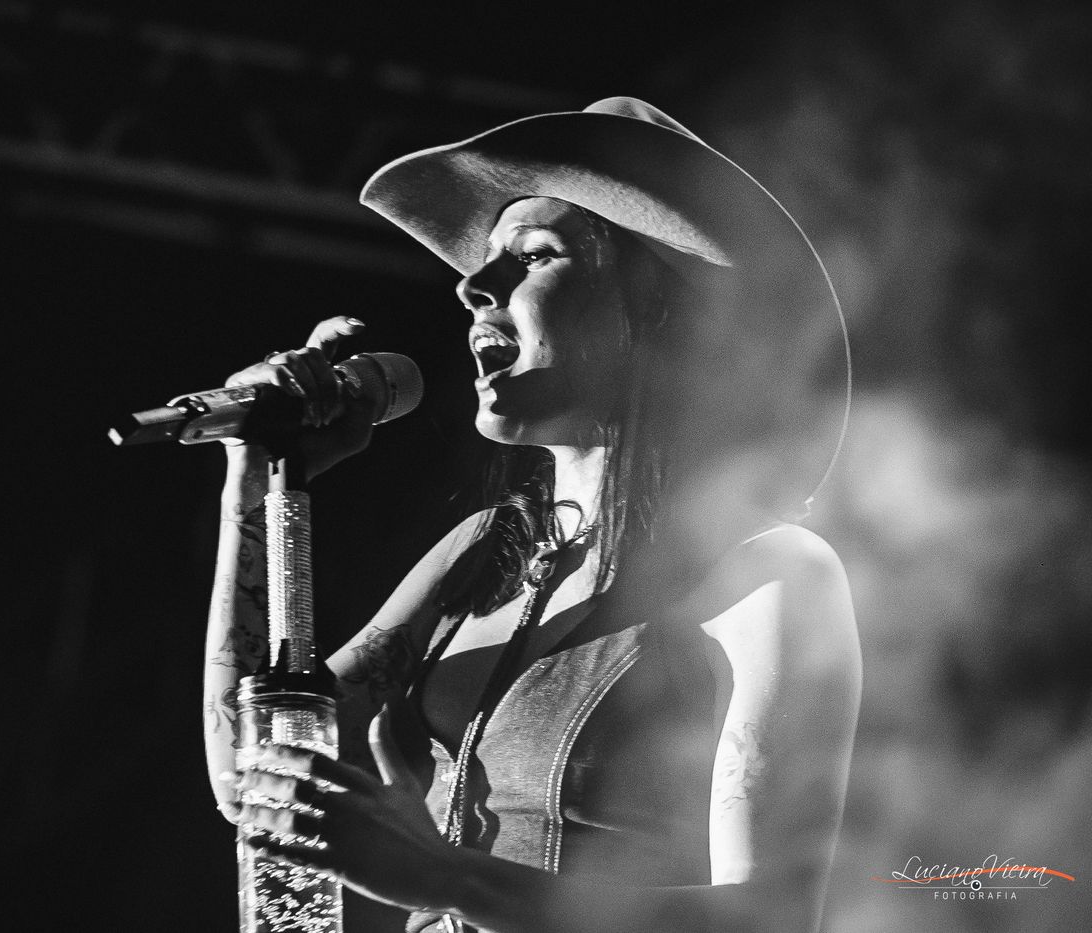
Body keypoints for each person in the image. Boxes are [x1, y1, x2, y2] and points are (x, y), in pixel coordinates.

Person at [202, 97, 860, 933]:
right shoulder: (484, 556)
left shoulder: (773, 573)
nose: (472, 285)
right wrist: (261, 478)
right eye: (484, 263)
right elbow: (253, 778)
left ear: (657, 315)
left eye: (535, 255)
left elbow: (773, 918)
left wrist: (449, 877)